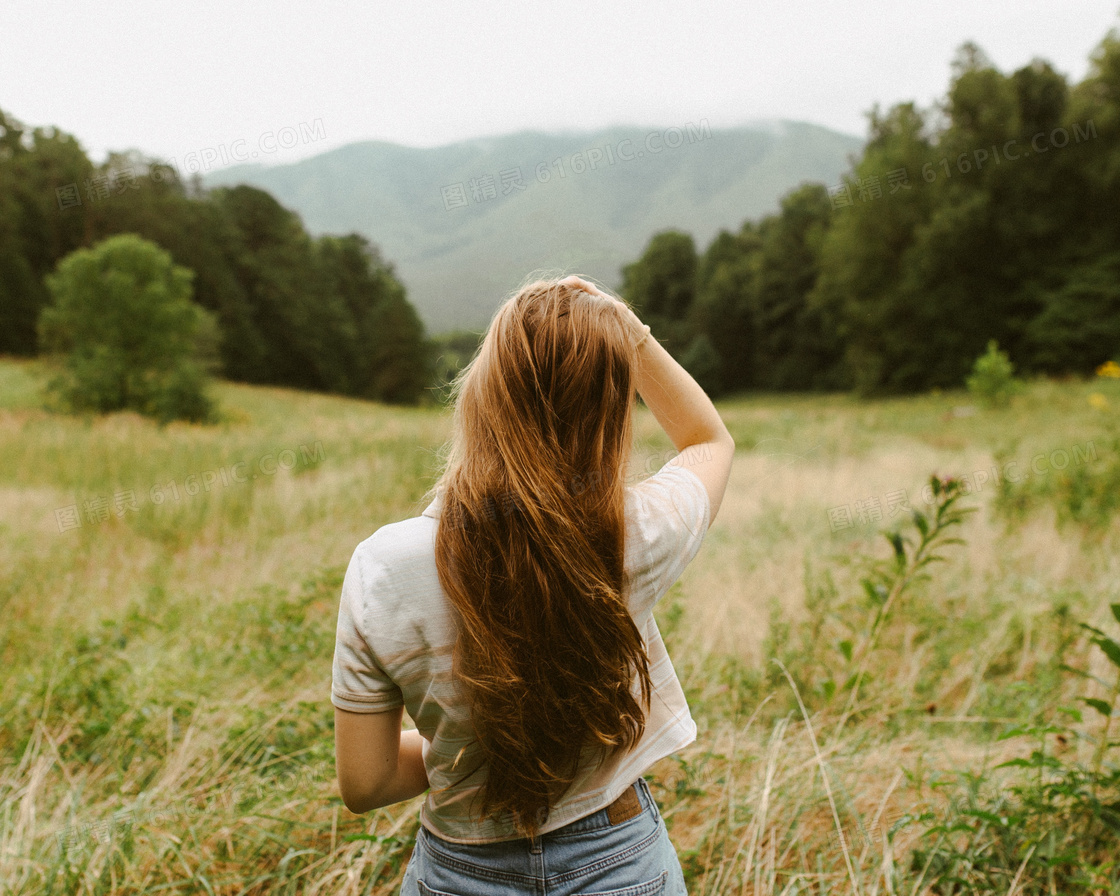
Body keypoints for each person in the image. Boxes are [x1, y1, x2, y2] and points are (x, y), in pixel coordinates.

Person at [331, 274, 735, 895]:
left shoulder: (383, 566)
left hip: (456, 875)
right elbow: (708, 439)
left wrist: (459, 748)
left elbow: (368, 784)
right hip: (619, 863)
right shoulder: (633, 534)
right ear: (607, 414)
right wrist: (632, 336)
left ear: (481, 395)